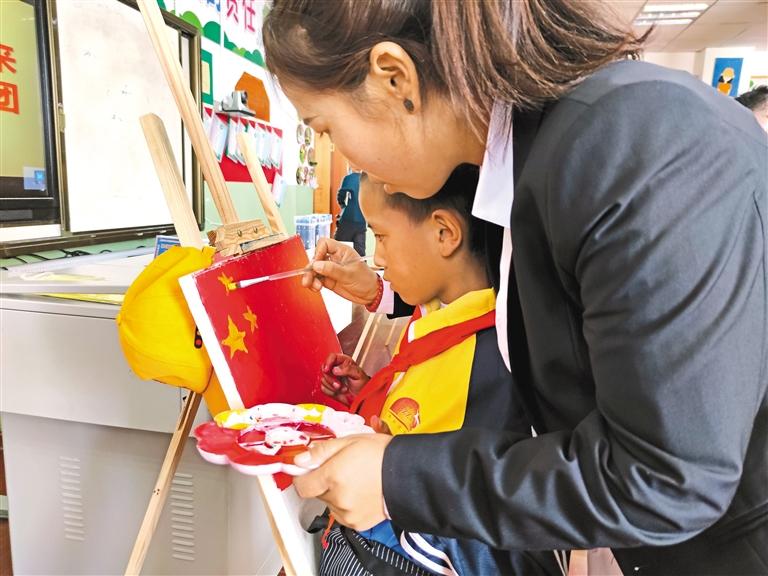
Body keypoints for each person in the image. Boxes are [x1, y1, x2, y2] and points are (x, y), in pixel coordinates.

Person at [263, 2, 768, 575]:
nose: (346, 159)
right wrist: (378, 293)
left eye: (326, 129)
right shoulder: (533, 158)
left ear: (395, 77)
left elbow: (663, 474)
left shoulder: (630, 148)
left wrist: (396, 477)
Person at [317, 166, 557, 576]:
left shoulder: (491, 358)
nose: (376, 258)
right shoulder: (441, 313)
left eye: (382, 237)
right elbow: (425, 406)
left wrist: (391, 459)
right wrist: (373, 391)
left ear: (445, 234)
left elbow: (461, 505)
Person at [334, 170, 367, 256]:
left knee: (339, 248)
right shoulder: (367, 180)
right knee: (360, 253)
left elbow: (341, 195)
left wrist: (343, 205)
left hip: (348, 218)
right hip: (362, 220)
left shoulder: (349, 178)